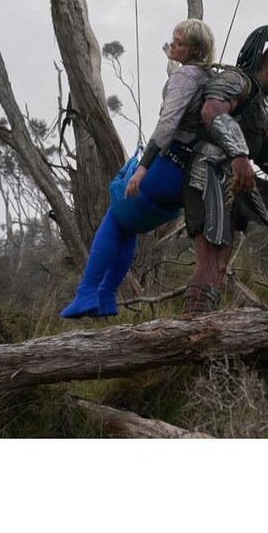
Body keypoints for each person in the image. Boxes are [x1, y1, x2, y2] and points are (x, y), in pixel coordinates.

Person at [60, 18, 216, 318]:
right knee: (129, 226)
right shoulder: (206, 77)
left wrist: (143, 167)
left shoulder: (185, 76)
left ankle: (88, 292)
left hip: (165, 168)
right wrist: (172, 60)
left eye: (179, 42)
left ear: (195, 49)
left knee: (116, 216)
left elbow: (168, 123)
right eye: (172, 40)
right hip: (184, 179)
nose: (172, 45)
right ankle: (106, 297)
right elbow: (186, 94)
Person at [182, 25, 268, 315]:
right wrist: (238, 154)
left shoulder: (266, 103)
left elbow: (264, 152)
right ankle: (193, 325)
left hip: (241, 179)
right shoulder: (235, 80)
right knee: (213, 260)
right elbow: (212, 111)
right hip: (208, 173)